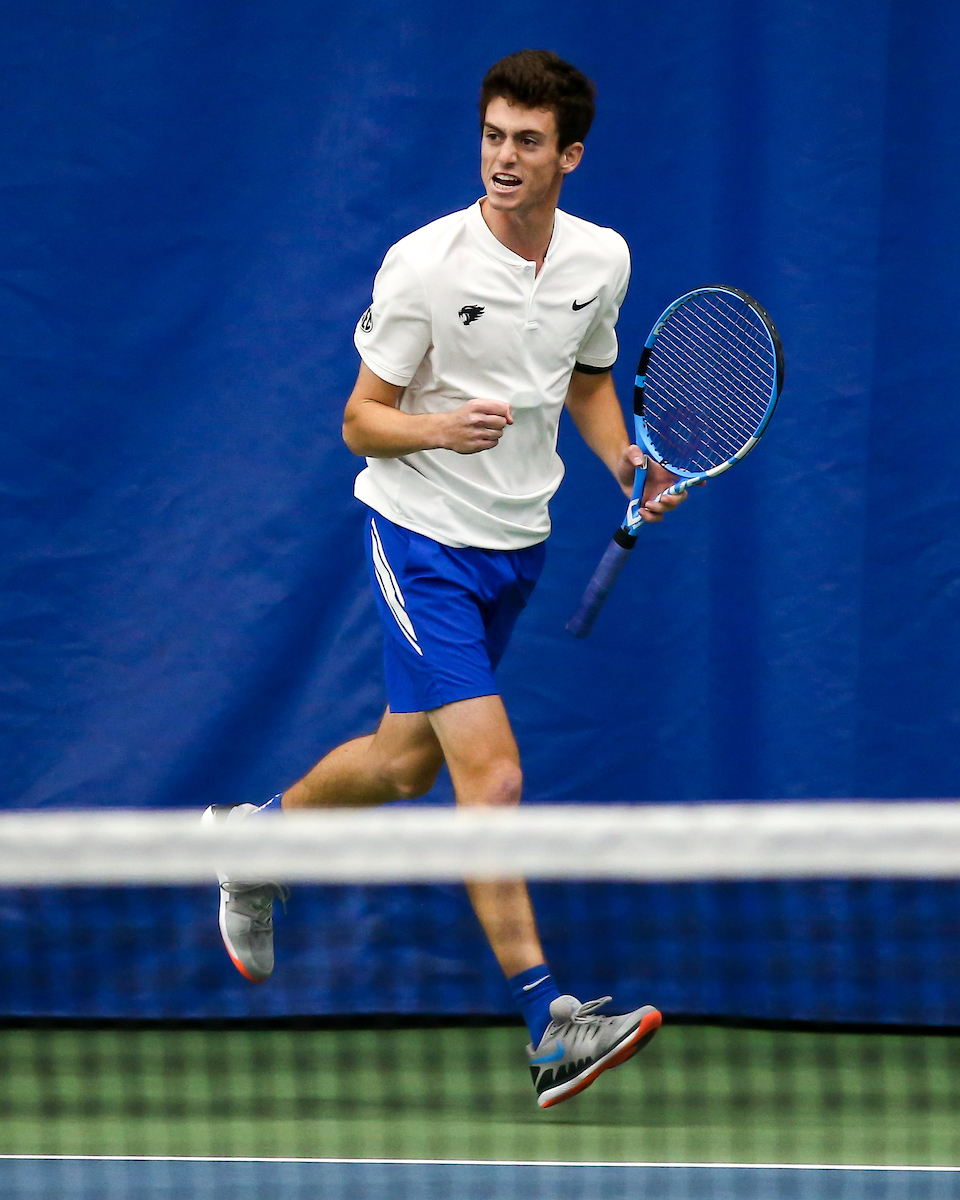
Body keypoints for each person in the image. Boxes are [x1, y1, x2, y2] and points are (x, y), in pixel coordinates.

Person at [204, 48, 686, 1109]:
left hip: (519, 542)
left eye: (526, 141)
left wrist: (621, 459)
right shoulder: (424, 264)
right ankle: (549, 1019)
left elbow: (592, 380)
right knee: (493, 776)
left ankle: (256, 842)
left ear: (570, 155)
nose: (504, 159)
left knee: (402, 762)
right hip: (421, 536)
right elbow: (356, 420)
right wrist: (436, 430)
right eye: (492, 136)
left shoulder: (601, 259)